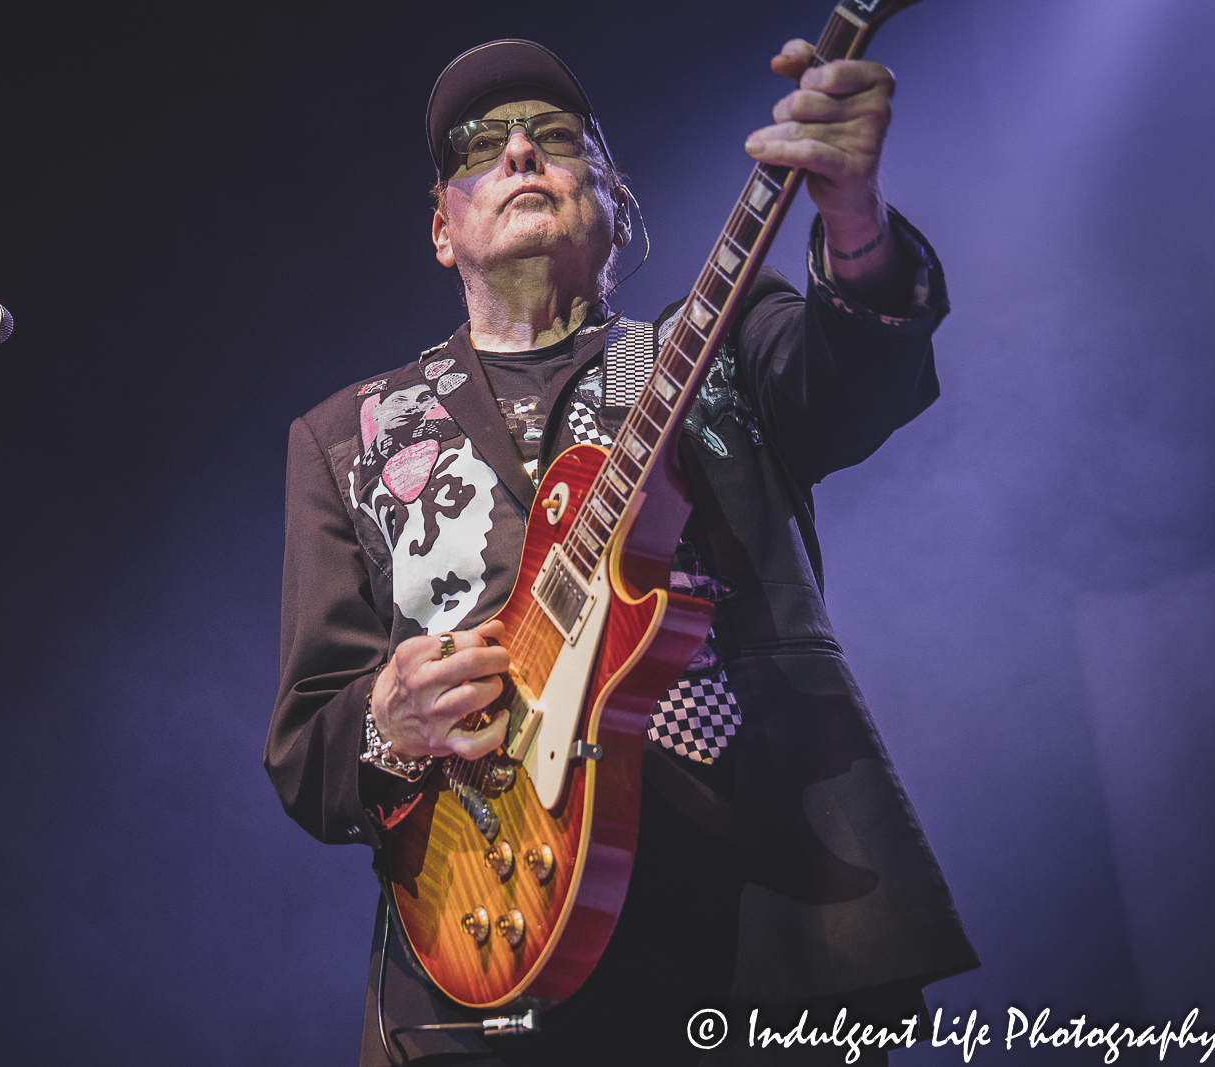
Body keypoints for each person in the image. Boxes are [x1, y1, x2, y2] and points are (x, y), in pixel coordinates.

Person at [267, 37, 978, 1066]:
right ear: (440, 226)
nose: (518, 152)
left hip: (760, 921)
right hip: (482, 944)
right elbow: (306, 742)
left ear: (613, 202)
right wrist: (384, 713)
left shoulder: (723, 339)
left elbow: (855, 379)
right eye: (481, 146)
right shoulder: (347, 435)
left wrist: (853, 217)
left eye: (555, 139)